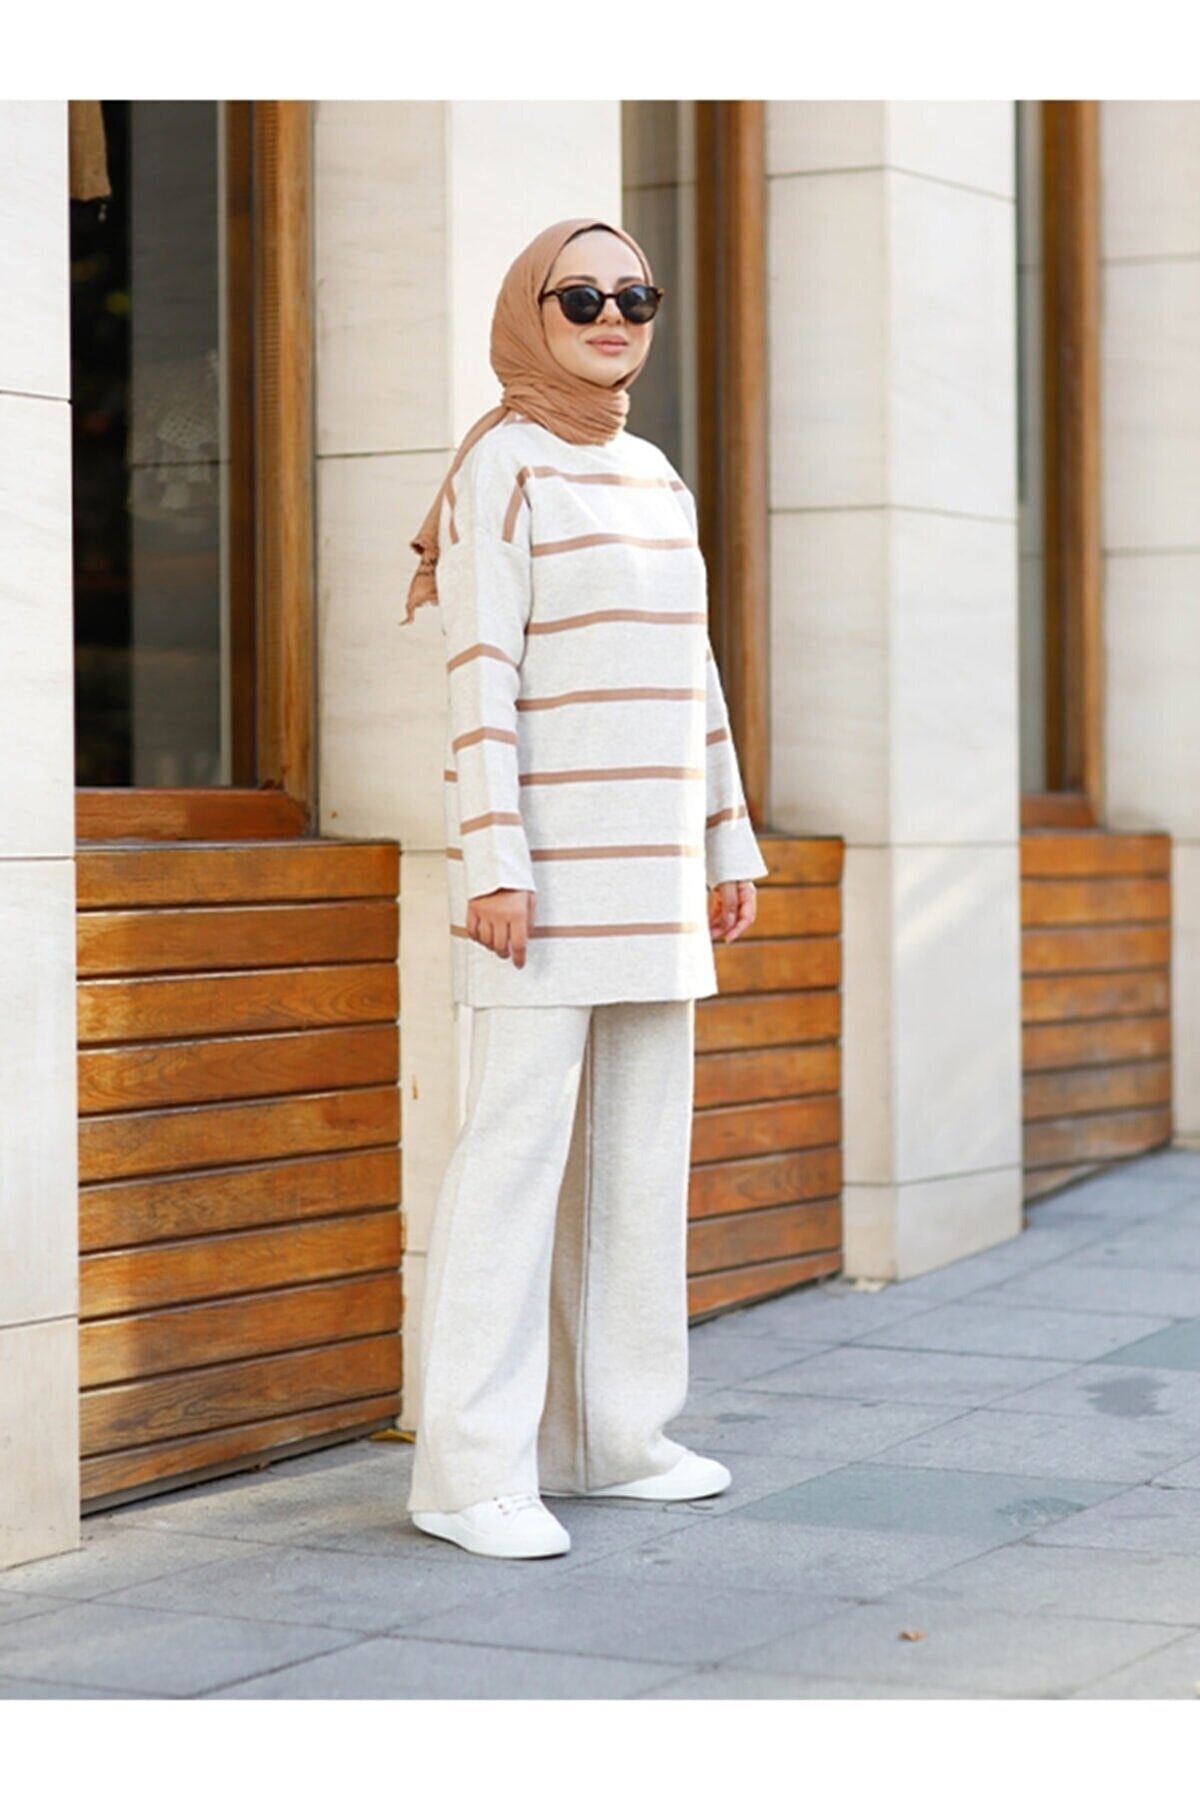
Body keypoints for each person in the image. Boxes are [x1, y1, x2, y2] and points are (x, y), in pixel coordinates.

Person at [398, 215, 769, 1559]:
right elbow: (480, 675)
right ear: (530, 312)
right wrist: (493, 861)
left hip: (654, 876)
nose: (612, 317)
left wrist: (725, 841)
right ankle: (466, 1475)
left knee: (635, 1168)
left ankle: (614, 1441)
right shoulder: (501, 466)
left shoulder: (655, 474)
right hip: (540, 888)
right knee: (510, 1172)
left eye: (635, 297)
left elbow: (695, 675)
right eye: (581, 296)